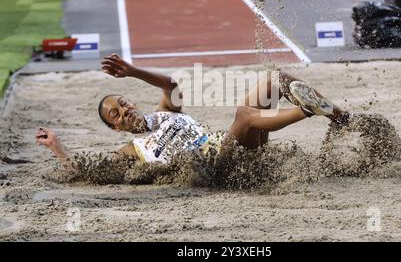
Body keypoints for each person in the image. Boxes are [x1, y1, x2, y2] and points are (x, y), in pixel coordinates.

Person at [36, 54, 349, 170]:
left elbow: (172, 85)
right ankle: (308, 110)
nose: (122, 111)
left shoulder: (164, 113)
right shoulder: (132, 149)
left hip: (230, 145)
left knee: (274, 79)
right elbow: (87, 170)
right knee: (243, 114)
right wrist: (56, 146)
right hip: (220, 168)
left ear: (132, 102)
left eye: (122, 104)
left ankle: (339, 118)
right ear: (116, 128)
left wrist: (132, 71)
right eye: (115, 115)